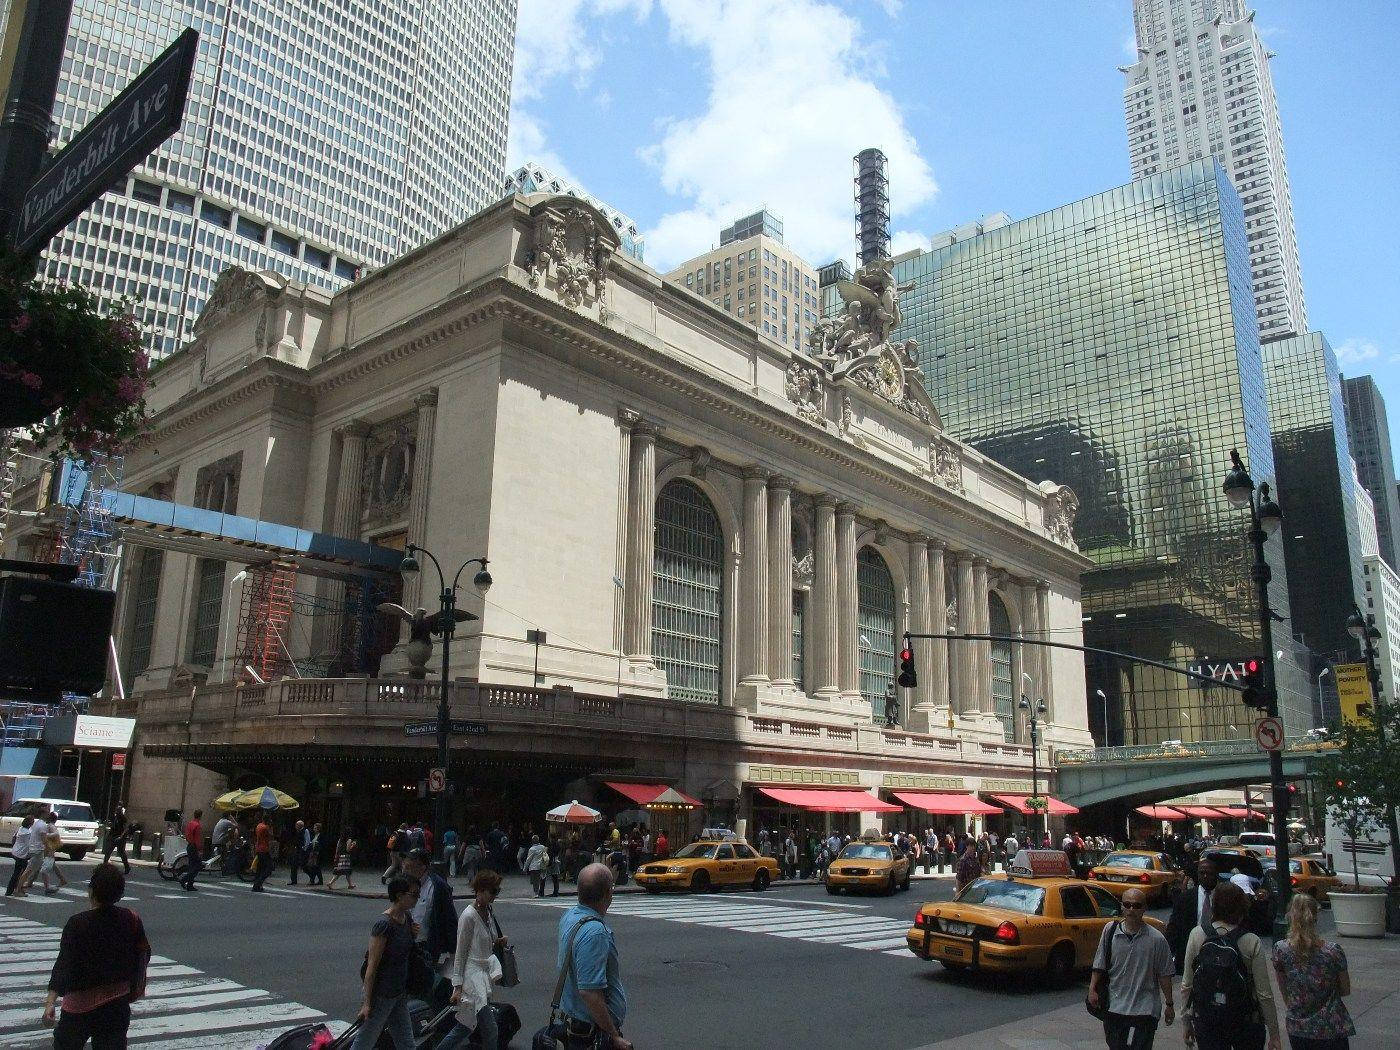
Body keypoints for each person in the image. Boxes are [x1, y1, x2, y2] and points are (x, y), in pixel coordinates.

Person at [43, 863, 151, 1049]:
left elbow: (64, 964)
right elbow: (143, 954)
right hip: (116, 1003)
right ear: (119, 893)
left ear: (92, 891)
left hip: (79, 1007)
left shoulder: (78, 923)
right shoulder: (131, 918)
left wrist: (50, 1003)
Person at [1181, 882, 1280, 1050]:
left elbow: (1187, 983)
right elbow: (1264, 993)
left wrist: (1186, 1021)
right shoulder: (1251, 941)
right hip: (1245, 1019)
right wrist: (1274, 1033)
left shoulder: (1197, 934)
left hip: (1208, 1018)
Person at [1090, 887, 1176, 1050]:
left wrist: (1169, 1004)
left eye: (1136, 905)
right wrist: (1092, 989)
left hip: (1145, 1008)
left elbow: (1164, 975)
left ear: (1144, 908)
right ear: (1121, 906)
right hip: (1115, 1005)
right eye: (1127, 905)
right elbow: (1099, 963)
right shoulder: (1110, 931)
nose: (1131, 909)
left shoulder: (1157, 940)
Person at [557, 863, 631, 1050]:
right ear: (608, 894)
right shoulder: (595, 932)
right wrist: (614, 1036)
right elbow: (589, 992)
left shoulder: (570, 916)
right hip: (589, 1032)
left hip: (575, 1022)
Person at [1272, 893, 1355, 1050]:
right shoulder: (1333, 951)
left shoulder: (1280, 950)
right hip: (1331, 1025)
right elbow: (1345, 989)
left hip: (1298, 1026)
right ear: (1315, 917)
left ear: (1291, 916)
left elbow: (1285, 991)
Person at [437, 870, 506, 1050]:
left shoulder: (487, 911)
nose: (495, 896)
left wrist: (497, 941)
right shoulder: (468, 916)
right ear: (480, 890)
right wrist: (457, 986)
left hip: (483, 975)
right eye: (493, 891)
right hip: (472, 978)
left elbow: (484, 941)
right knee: (490, 1029)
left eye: (497, 891)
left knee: (465, 1027)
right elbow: (460, 952)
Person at [351, 874, 421, 1050]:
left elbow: (406, 954)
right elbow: (372, 966)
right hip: (381, 995)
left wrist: (413, 935)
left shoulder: (407, 919)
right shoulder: (384, 925)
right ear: (399, 895)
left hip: (398, 993)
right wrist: (367, 1003)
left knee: (406, 1043)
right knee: (364, 1042)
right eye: (413, 895)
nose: (416, 899)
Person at [402, 848, 458, 970]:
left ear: (422, 867)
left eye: (409, 866)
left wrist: (453, 951)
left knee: (424, 982)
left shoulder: (438, 886)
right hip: (405, 942)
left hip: (427, 946)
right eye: (405, 865)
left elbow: (449, 918)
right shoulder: (405, 883)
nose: (406, 869)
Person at [18, 809, 51, 894]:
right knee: (29, 870)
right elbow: (44, 839)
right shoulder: (42, 825)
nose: (48, 814)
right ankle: (18, 889)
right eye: (47, 812)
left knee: (33, 869)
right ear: (43, 814)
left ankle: (45, 886)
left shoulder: (37, 823)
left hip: (35, 849)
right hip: (38, 850)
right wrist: (49, 849)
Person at [7, 814, 35, 896]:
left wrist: (14, 847)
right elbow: (30, 844)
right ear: (30, 824)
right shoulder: (28, 833)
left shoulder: (20, 829)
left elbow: (13, 839)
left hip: (16, 852)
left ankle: (13, 889)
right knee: (22, 873)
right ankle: (17, 889)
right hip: (22, 854)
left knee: (18, 872)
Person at [103, 806, 132, 874]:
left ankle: (127, 867)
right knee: (108, 852)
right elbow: (113, 827)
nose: (116, 812)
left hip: (120, 838)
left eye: (118, 811)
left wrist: (121, 837)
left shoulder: (123, 818)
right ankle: (104, 866)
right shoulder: (115, 818)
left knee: (121, 852)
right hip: (113, 836)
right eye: (116, 811)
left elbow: (125, 828)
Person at [181, 809, 204, 892]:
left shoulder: (190, 823)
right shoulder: (197, 825)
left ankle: (190, 884)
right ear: (200, 816)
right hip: (194, 846)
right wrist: (200, 850)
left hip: (189, 845)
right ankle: (185, 879)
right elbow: (197, 839)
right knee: (198, 865)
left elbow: (186, 834)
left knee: (192, 865)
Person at [251, 814, 272, 892]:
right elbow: (270, 835)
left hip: (259, 848)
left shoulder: (259, 826)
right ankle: (258, 883)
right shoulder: (265, 827)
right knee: (268, 868)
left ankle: (256, 885)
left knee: (260, 868)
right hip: (264, 849)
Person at [288, 819, 310, 885]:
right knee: (293, 865)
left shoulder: (305, 831)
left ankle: (312, 875)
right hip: (297, 850)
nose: (295, 826)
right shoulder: (297, 831)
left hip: (302, 850)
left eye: (297, 825)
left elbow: (307, 840)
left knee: (303, 865)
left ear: (300, 825)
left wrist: (304, 849)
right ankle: (293, 880)